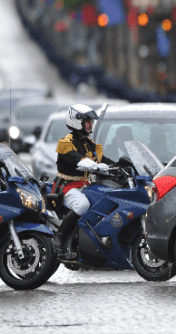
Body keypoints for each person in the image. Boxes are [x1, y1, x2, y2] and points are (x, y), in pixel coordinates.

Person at [53, 104, 115, 256]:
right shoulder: (66, 142)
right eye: (87, 120)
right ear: (76, 120)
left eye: (91, 120)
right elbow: (78, 160)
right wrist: (97, 166)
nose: (90, 123)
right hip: (67, 187)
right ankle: (59, 237)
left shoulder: (89, 143)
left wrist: (122, 166)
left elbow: (103, 159)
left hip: (84, 187)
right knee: (83, 204)